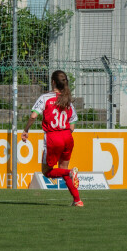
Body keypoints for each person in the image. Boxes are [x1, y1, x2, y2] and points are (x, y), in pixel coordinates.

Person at [21, 70, 83, 207]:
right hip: (67, 136)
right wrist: (65, 134)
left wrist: (26, 130)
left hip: (53, 138)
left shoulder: (45, 98)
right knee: (62, 168)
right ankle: (77, 200)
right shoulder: (67, 101)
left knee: (47, 172)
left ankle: (70, 172)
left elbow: (33, 116)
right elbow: (72, 124)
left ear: (53, 82)